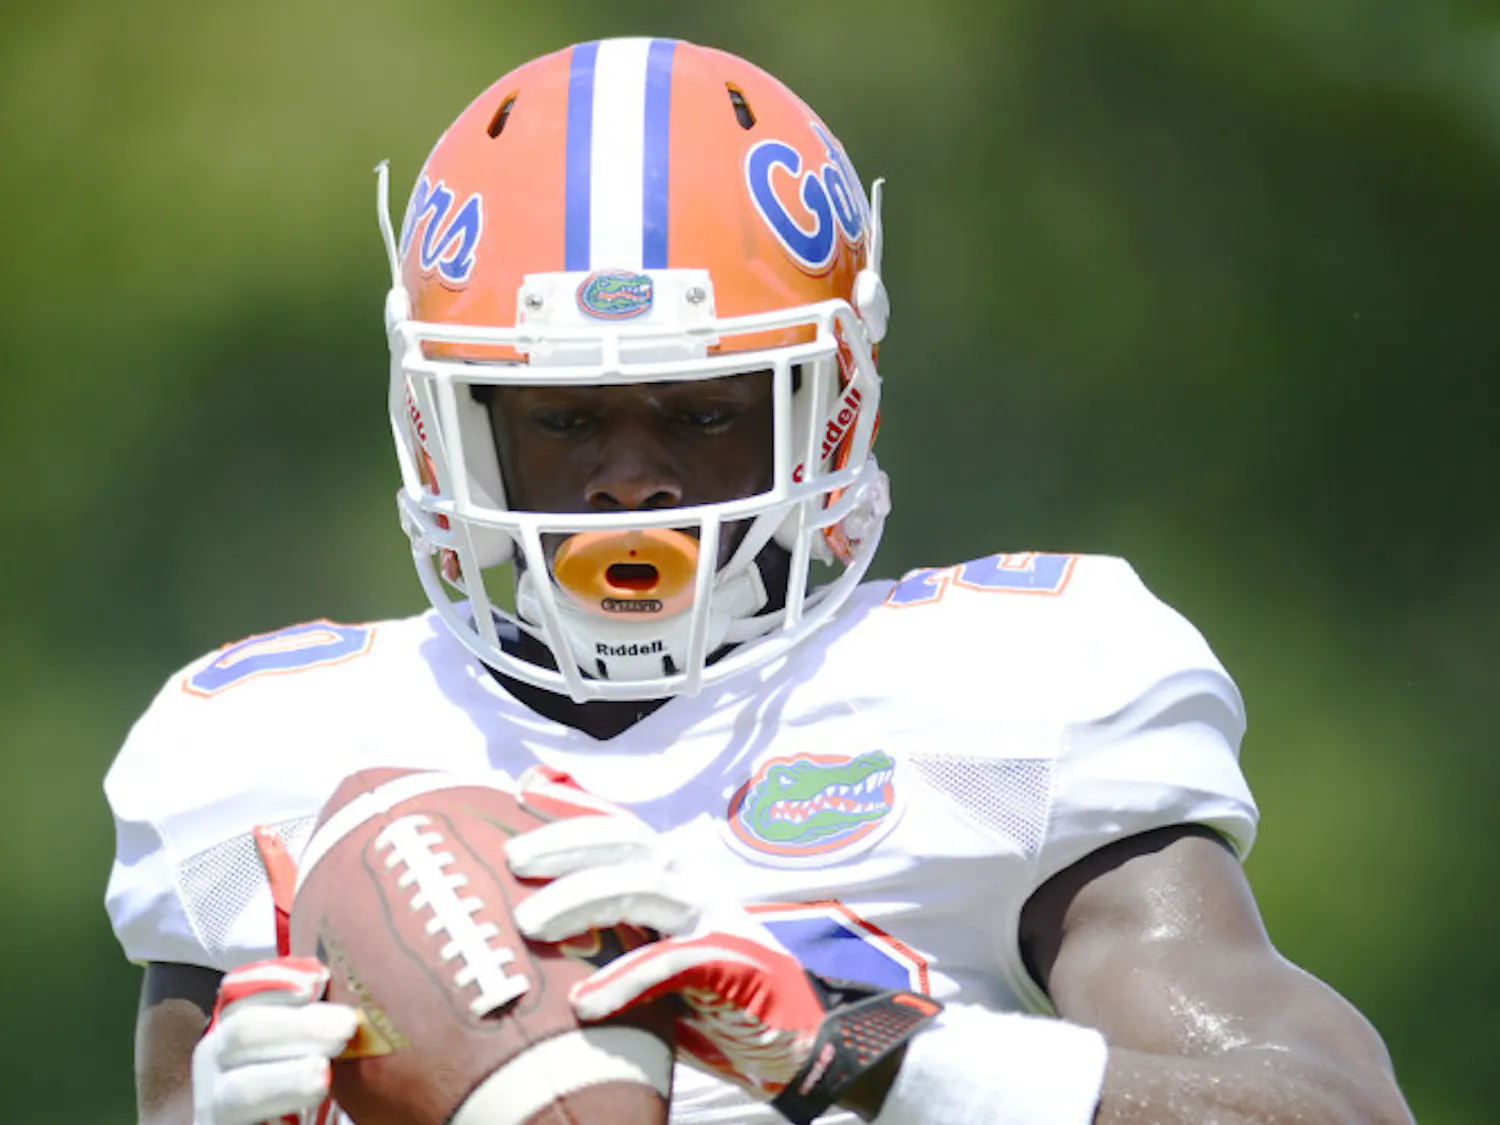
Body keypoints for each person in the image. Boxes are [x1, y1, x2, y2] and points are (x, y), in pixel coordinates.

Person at [105, 36, 1416, 1125]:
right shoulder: (261, 757)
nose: (632, 483)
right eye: (563, 420)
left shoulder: (1021, 689)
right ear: (447, 422)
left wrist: (873, 1048)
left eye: (703, 411)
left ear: (829, 411)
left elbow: (1326, 1108)